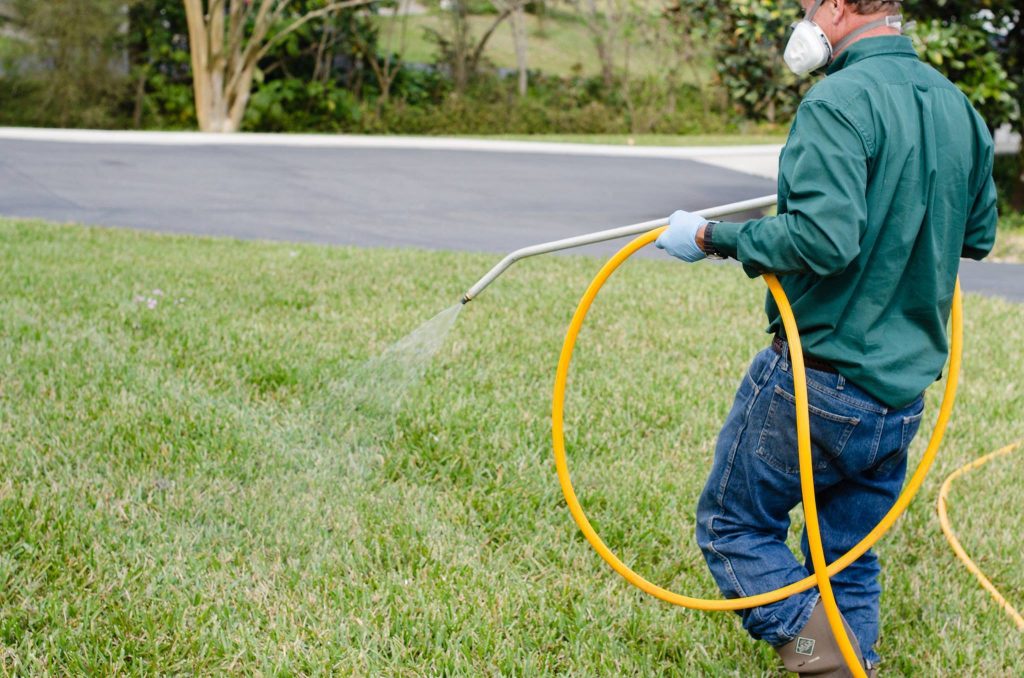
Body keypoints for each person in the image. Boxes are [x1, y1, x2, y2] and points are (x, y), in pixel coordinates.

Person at [654, 0, 998, 675]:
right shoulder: (959, 108)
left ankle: (821, 656)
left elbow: (823, 237)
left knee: (734, 526)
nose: (803, 19)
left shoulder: (839, 100)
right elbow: (977, 236)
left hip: (818, 379)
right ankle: (853, 664)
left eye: (809, 5)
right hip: (900, 394)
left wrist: (710, 236)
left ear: (838, 8)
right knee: (845, 552)